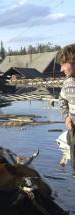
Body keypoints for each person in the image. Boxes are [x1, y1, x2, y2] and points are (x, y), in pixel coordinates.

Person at [59, 43, 75, 175]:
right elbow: (62, 100)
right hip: (73, 131)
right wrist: (67, 116)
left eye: (64, 63)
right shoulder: (67, 82)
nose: (61, 69)